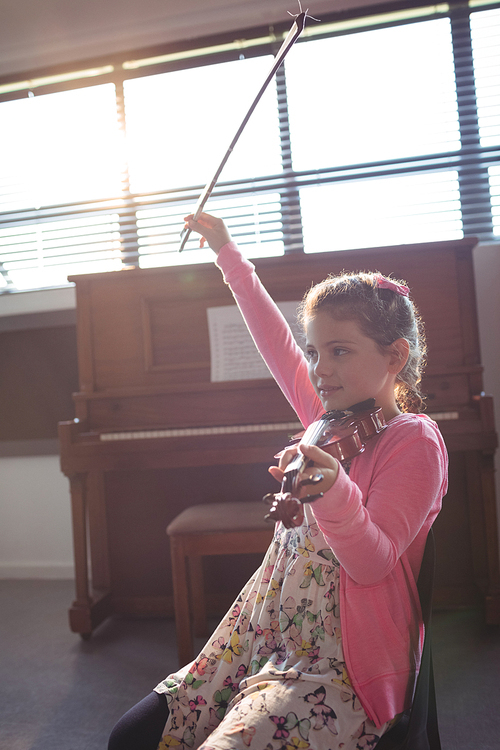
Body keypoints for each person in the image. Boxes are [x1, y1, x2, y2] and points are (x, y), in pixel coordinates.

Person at [108, 213, 448, 750]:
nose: (319, 368)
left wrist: (334, 491)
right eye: (315, 352)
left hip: (337, 666)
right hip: (260, 636)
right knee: (130, 738)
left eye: (340, 351)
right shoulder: (326, 419)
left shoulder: (414, 441)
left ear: (395, 356)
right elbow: (276, 343)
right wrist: (227, 253)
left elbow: (373, 561)